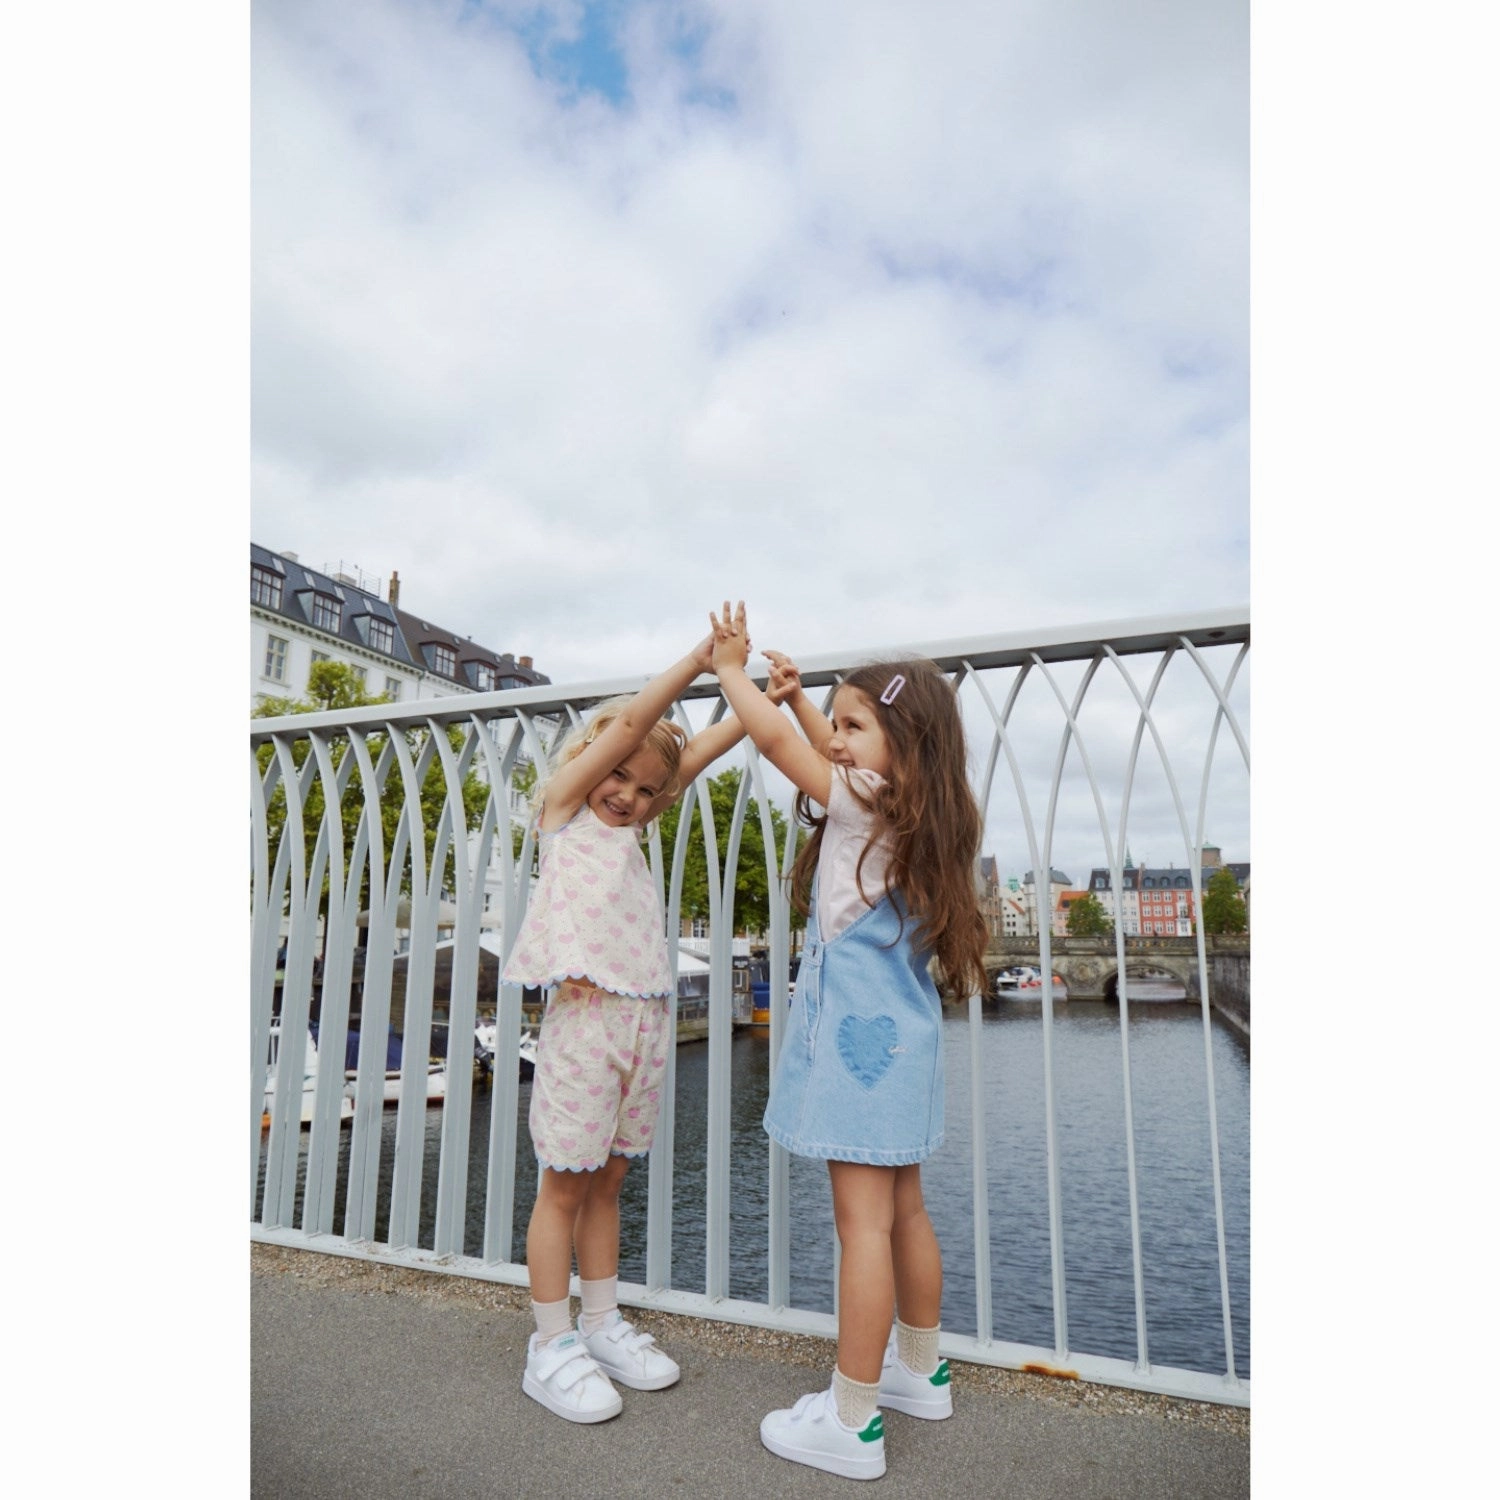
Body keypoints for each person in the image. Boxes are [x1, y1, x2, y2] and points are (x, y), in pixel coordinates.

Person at [712, 604, 988, 1482]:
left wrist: (733, 676)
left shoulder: (864, 800)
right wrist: (809, 708)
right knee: (904, 1208)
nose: (834, 738)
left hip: (859, 1043)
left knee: (858, 1226)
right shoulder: (918, 814)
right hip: (906, 1041)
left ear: (901, 746)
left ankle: (853, 1419)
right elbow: (826, 752)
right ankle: (920, 1368)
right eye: (834, 720)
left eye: (854, 723)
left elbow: (781, 752)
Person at [501, 628, 779, 1424]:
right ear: (592, 757)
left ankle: (598, 1320)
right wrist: (697, 664)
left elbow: (687, 765)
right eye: (616, 775)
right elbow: (631, 733)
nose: (625, 792)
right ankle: (549, 1343)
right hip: (586, 1020)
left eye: (642, 789)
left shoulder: (635, 826)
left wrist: (760, 697)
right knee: (563, 1187)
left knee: (611, 1180)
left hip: (645, 1022)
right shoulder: (564, 812)